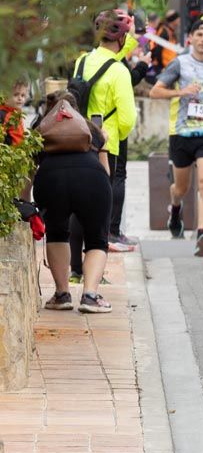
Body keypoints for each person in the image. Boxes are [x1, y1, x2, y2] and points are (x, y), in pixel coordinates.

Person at [150, 15, 203, 257]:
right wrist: (182, 91)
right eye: (199, 35)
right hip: (181, 133)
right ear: (190, 39)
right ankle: (176, 208)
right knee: (181, 187)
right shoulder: (179, 63)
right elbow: (154, 92)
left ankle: (202, 232)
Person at [34, 91, 114, 314]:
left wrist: (25, 203)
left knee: (57, 232)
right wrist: (103, 142)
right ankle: (89, 296)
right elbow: (106, 172)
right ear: (76, 109)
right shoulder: (90, 128)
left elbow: (30, 173)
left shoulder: (40, 128)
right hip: (92, 179)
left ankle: (62, 295)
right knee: (97, 239)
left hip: (51, 180)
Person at [72, 10, 137, 250]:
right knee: (107, 190)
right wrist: (119, 133)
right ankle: (106, 236)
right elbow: (128, 116)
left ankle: (76, 264)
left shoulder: (82, 61)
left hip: (77, 136)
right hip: (107, 140)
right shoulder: (119, 70)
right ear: (121, 39)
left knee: (80, 195)